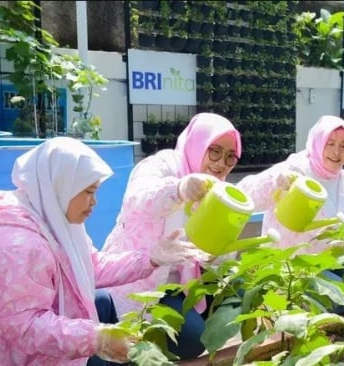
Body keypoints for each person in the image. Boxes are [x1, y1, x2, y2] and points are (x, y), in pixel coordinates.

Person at [0, 137, 206, 365]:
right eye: (88, 191)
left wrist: (151, 258)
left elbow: (92, 266)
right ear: (61, 185)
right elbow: (25, 328)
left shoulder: (55, 219)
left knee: (103, 303)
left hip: (58, 343)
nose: (94, 202)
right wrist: (95, 338)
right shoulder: (20, 245)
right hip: (22, 357)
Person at [101, 112, 242, 360]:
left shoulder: (218, 191)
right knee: (162, 338)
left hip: (179, 284)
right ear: (198, 145)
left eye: (231, 157)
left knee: (204, 329)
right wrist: (178, 190)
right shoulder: (164, 164)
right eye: (215, 151)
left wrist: (218, 256)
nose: (221, 164)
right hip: (137, 278)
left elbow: (220, 245)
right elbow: (138, 198)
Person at [236, 115, 344, 254]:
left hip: (329, 267)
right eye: (330, 144)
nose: (337, 152)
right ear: (318, 143)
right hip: (285, 267)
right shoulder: (295, 171)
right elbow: (245, 195)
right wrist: (274, 182)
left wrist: (343, 236)